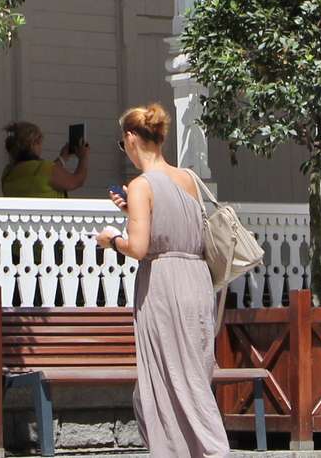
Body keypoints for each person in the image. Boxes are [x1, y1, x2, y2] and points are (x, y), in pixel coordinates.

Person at [95, 104, 227, 458]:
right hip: (197, 282)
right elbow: (181, 228)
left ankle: (209, 451)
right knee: (192, 377)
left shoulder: (141, 185)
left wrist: (111, 239)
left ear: (131, 138)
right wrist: (132, 214)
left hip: (164, 285)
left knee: (171, 381)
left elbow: (138, 248)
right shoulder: (188, 178)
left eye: (123, 145)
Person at [0, 121, 90, 197]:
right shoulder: (43, 169)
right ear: (33, 143)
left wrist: (62, 158)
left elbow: (45, 176)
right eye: (39, 143)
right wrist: (83, 158)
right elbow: (76, 181)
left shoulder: (8, 172)